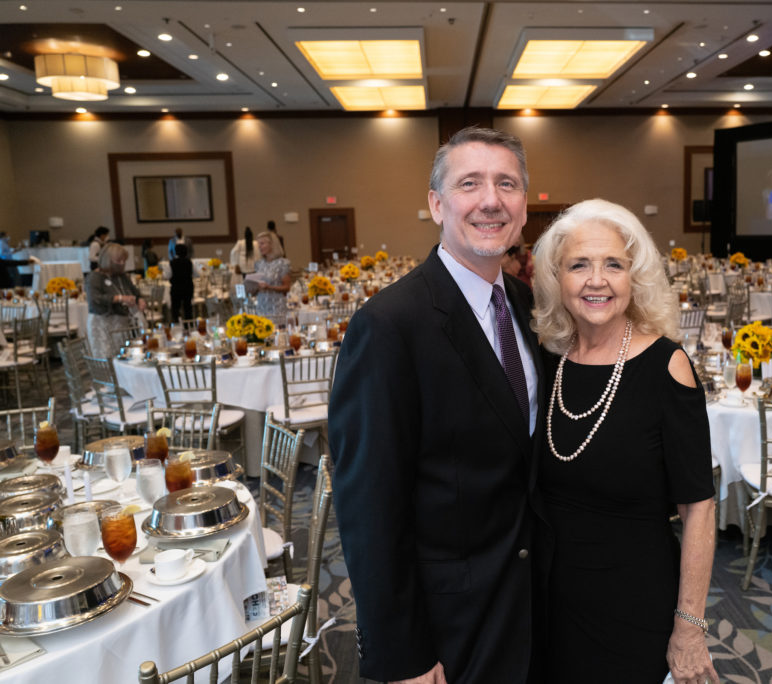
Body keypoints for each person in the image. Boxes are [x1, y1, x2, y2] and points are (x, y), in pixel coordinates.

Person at [329, 126, 544, 684]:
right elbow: (369, 510)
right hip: (445, 621)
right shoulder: (388, 325)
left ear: (524, 207)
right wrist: (403, 654)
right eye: (469, 183)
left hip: (528, 600)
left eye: (507, 184)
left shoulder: (526, 304)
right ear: (436, 204)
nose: (491, 200)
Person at [531, 198, 718, 684]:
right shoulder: (548, 359)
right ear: (557, 278)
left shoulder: (666, 366)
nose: (597, 280)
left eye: (613, 264)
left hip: (632, 604)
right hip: (548, 601)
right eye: (579, 265)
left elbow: (699, 507)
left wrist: (690, 629)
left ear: (635, 277)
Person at [85, 242, 145, 358]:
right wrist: (119, 298)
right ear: (108, 260)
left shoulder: (121, 276)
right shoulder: (94, 277)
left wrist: (140, 300)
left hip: (121, 324)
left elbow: (134, 291)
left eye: (124, 260)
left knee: (123, 355)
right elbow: (94, 299)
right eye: (119, 261)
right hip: (103, 323)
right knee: (106, 356)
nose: (122, 264)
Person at [252, 230, 291, 326]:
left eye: (262, 244)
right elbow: (256, 285)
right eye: (258, 244)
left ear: (272, 244)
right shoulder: (258, 264)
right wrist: (253, 286)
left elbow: (286, 287)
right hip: (261, 306)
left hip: (276, 308)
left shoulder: (282, 263)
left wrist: (270, 287)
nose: (260, 247)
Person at [169, 243, 194, 323]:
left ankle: (176, 324)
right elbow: (197, 274)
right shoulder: (189, 262)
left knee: (175, 308)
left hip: (176, 288)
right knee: (188, 307)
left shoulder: (172, 263)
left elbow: (167, 275)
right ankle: (188, 324)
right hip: (188, 287)